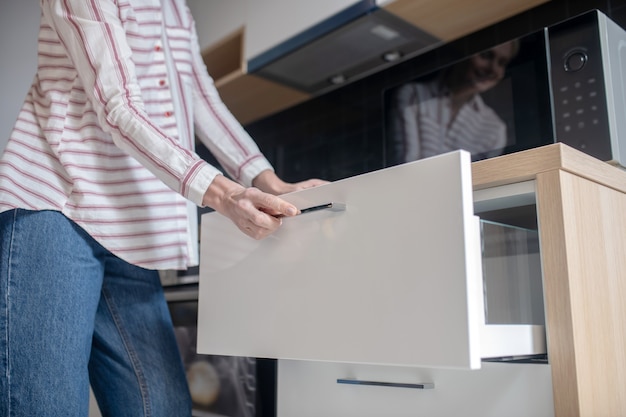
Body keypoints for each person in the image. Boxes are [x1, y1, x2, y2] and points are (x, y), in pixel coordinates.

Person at [0, 1, 325, 416]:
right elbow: (117, 106)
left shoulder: (174, 7)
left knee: (163, 407)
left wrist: (270, 181)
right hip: (54, 209)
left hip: (129, 230)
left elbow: (202, 99)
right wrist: (224, 194)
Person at [387, 40, 519, 164]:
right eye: (486, 55)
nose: (493, 69)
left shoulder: (495, 128)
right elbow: (406, 164)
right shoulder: (413, 95)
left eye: (501, 63)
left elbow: (480, 181)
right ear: (464, 50)